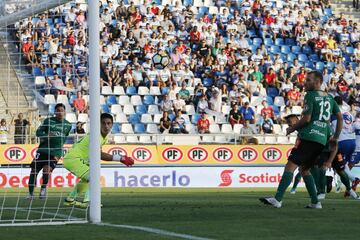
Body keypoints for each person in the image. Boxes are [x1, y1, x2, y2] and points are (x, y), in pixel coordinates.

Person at [260, 71, 343, 209]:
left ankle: (277, 199)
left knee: (290, 166)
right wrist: (336, 137)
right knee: (305, 169)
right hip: (321, 140)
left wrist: (292, 129)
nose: (305, 82)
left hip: (309, 136)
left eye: (308, 80)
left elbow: (307, 119)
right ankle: (315, 202)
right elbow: (339, 117)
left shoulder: (310, 95)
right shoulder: (330, 98)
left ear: (317, 82)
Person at [63, 113, 134, 208]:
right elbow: (99, 155)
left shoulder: (101, 137)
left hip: (73, 159)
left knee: (86, 180)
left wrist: (121, 158)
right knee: (94, 177)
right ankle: (89, 201)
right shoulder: (96, 136)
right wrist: (121, 158)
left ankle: (70, 199)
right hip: (74, 159)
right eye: (103, 123)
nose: (106, 126)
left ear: (112, 125)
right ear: (99, 124)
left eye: (109, 123)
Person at [27, 103, 72, 199]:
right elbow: (38, 132)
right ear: (55, 112)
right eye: (58, 110)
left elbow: (64, 138)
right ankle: (30, 194)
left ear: (64, 112)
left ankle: (43, 188)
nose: (60, 112)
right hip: (43, 150)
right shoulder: (48, 121)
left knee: (47, 170)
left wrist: (59, 149)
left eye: (61, 110)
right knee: (34, 171)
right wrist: (46, 136)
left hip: (55, 152)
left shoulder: (68, 125)